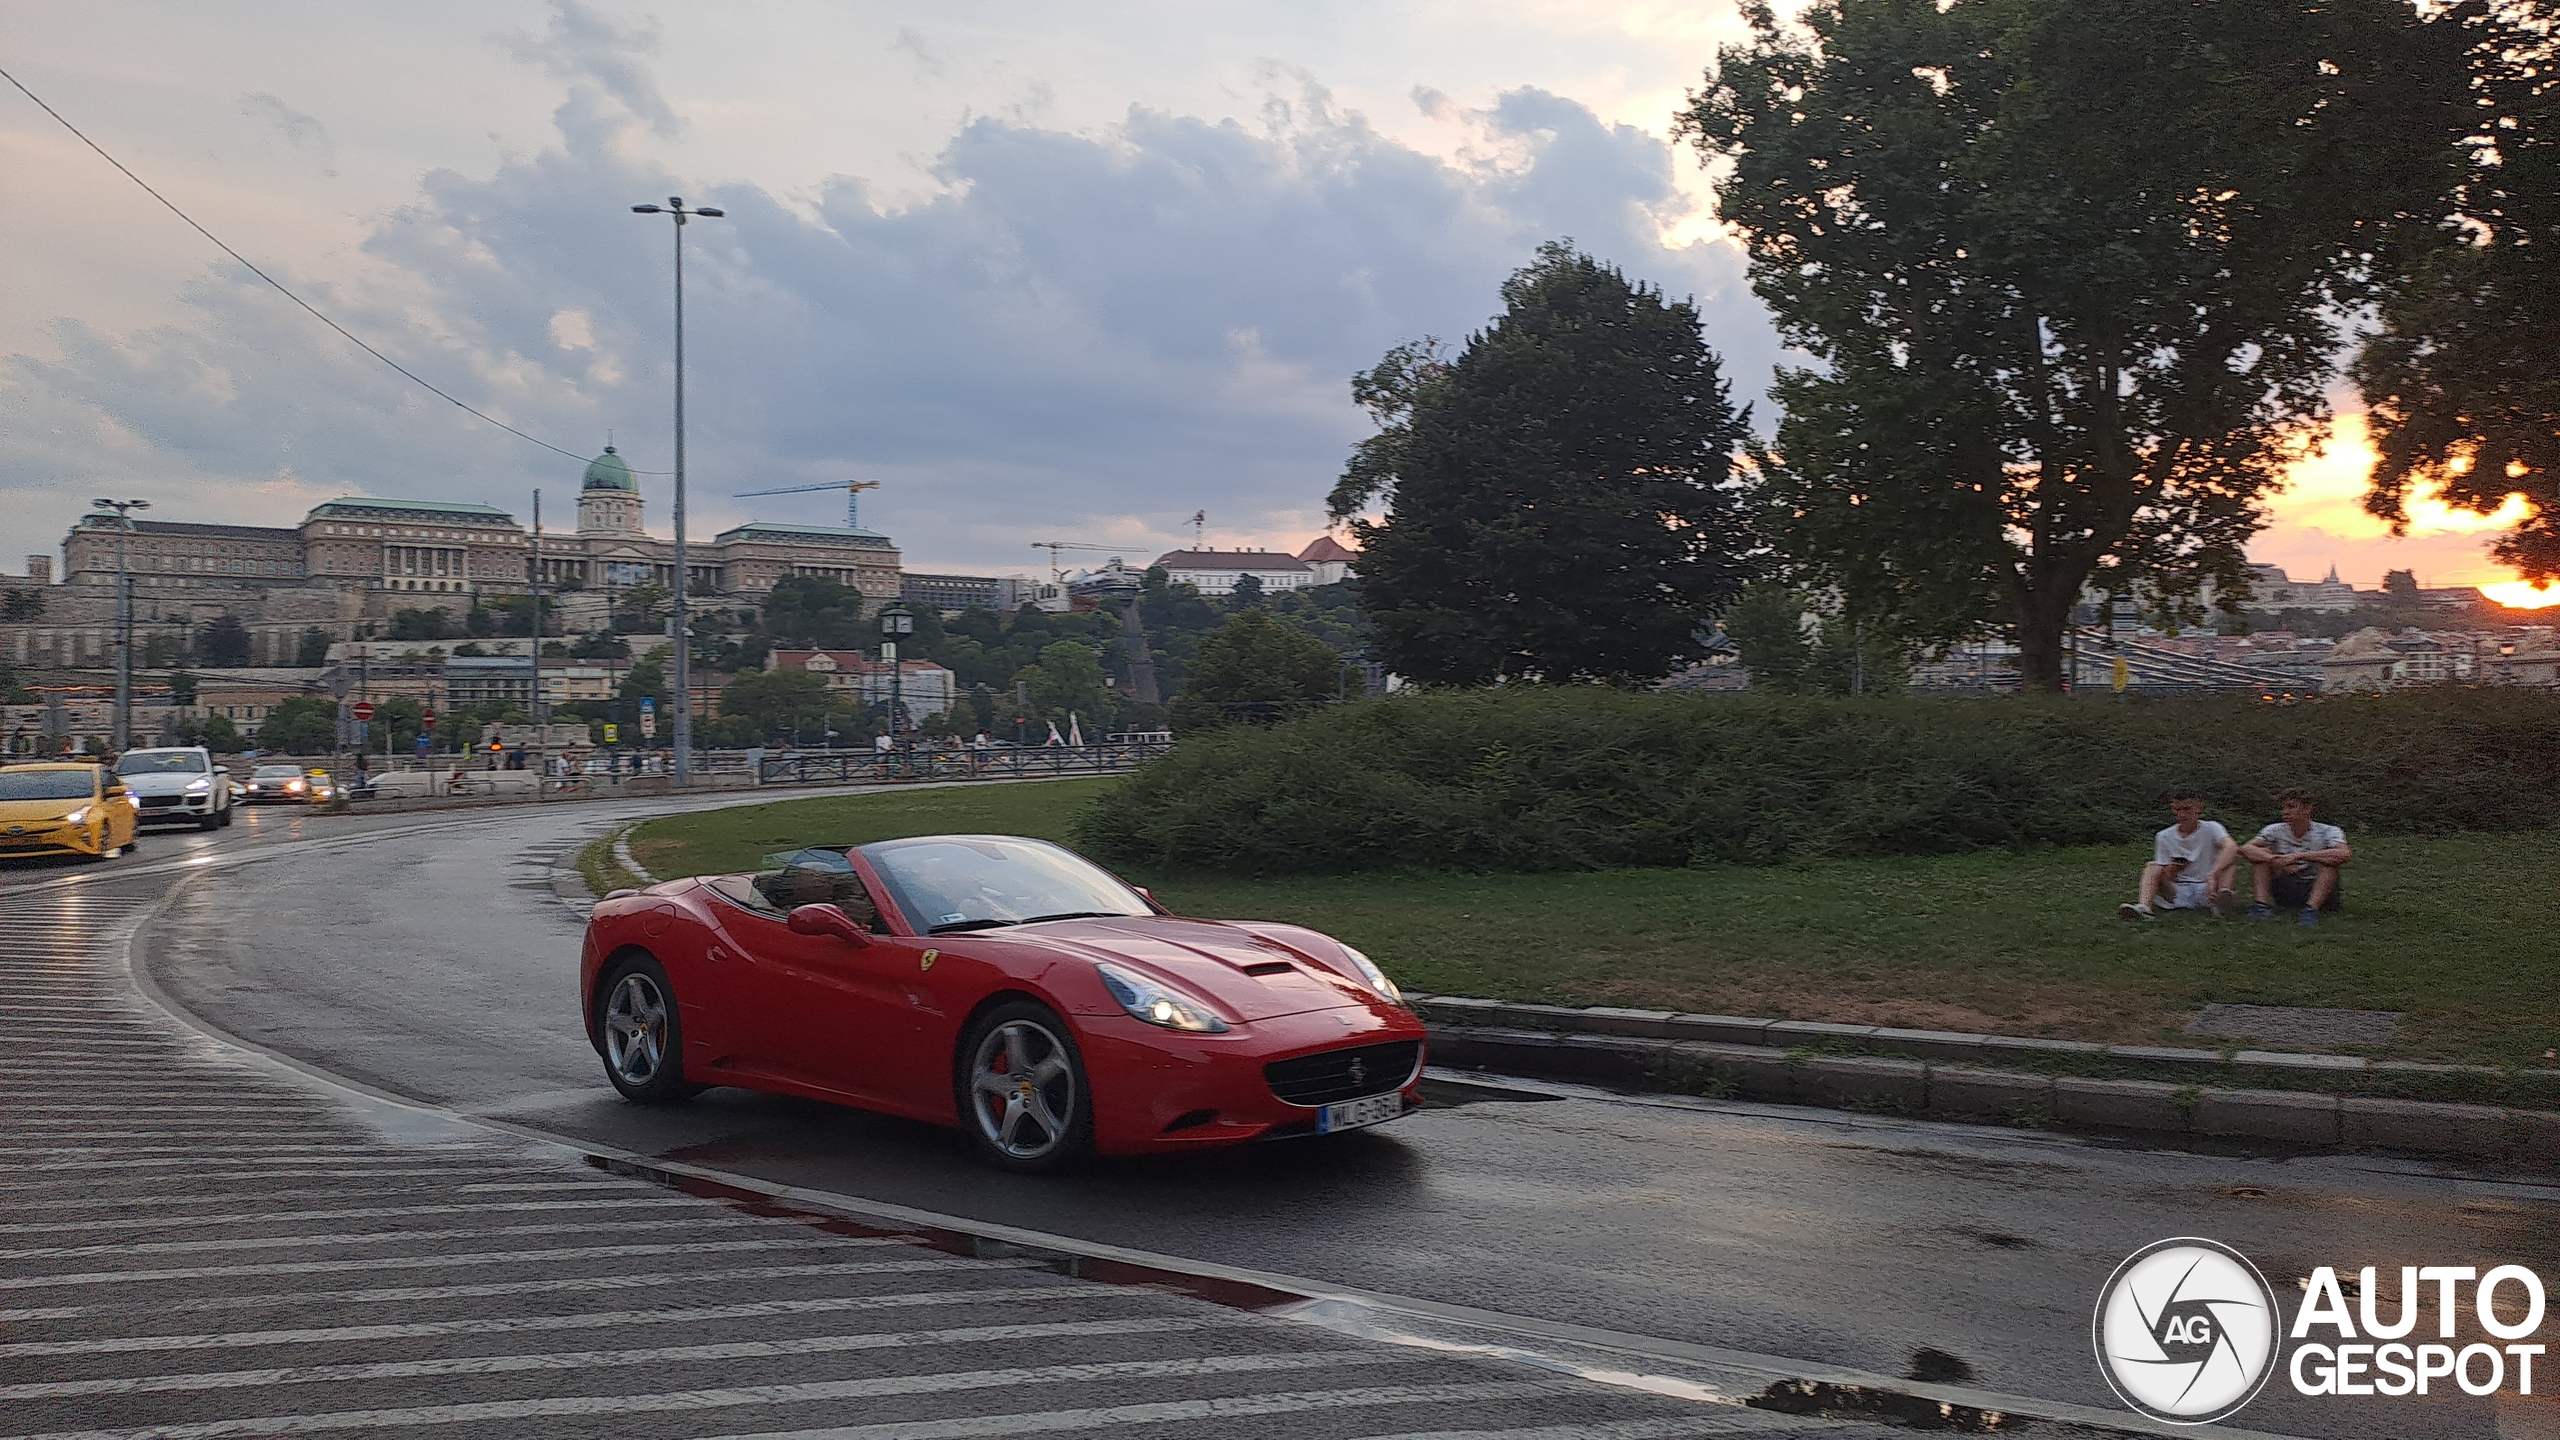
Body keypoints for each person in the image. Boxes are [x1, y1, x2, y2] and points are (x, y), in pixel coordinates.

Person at [2121, 790, 2241, 920]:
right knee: (2152, 866)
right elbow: (2164, 873)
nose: (2182, 815)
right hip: (2178, 890)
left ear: (2199, 808)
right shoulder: (2164, 836)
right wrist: (2173, 869)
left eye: (2187, 809)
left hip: (2208, 887)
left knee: (2230, 862)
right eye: (2177, 810)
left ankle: (2221, 902)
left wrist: (2212, 874)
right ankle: (2144, 907)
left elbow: (2231, 847)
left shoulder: (2212, 828)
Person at [2241, 787, 2352, 925]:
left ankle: (2311, 910)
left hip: (2316, 887)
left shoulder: (2328, 831)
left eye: (2291, 807)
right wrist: (2276, 860)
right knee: (2260, 858)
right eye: (2284, 808)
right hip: (2285, 884)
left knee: (2330, 865)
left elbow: (2344, 853)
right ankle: (2261, 906)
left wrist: (2298, 856)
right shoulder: (2274, 830)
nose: (2285, 812)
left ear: (2307, 809)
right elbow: (2246, 848)